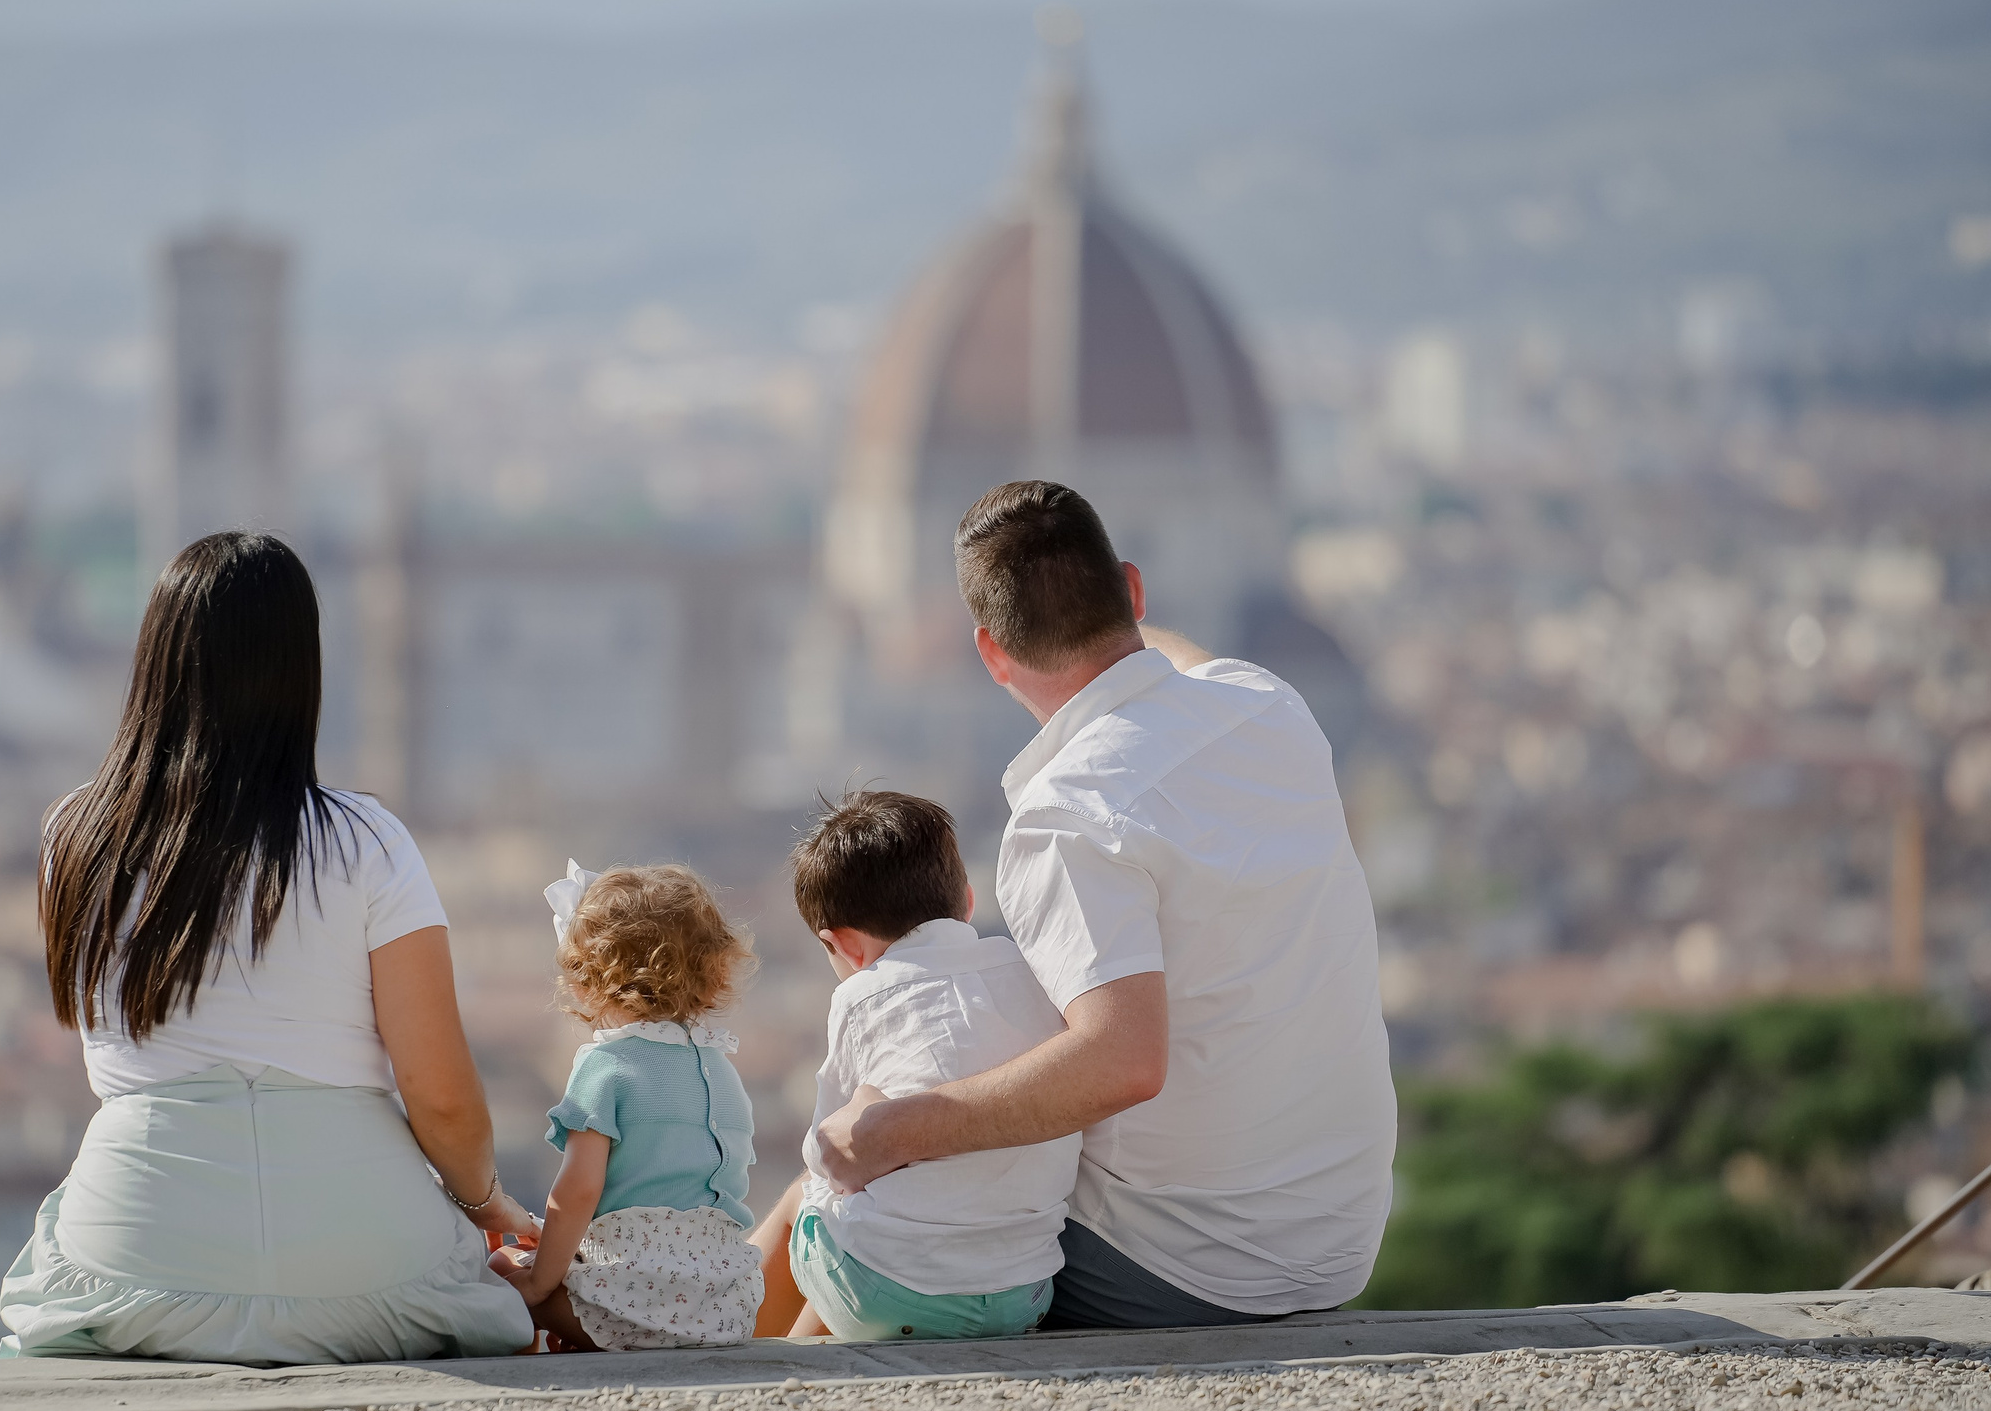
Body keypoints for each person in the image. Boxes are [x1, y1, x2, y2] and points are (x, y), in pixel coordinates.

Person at [791, 480, 1395, 1330]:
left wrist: (899, 1132)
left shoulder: (1065, 819)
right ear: (1135, 590)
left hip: (1186, 1262)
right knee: (881, 1169)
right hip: (1335, 1239)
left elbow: (1123, 1061)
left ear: (991, 654)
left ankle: (726, 1371)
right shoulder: (1268, 705)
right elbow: (1178, 661)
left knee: (865, 1179)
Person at [0, 531, 540, 1365]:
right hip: (364, 1265)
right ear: (303, 672)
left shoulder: (72, 837)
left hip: (137, 1257)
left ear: (157, 663)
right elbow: (440, 1096)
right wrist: (486, 1203)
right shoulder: (368, 843)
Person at [781, 789, 1077, 1342]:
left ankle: (765, 1352)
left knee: (807, 1195)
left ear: (841, 943)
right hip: (1026, 1295)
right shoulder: (1030, 970)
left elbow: (831, 1157)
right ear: (966, 901)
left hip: (884, 1298)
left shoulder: (862, 995)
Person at [491, 862, 762, 1351]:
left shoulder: (606, 1066)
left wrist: (539, 1280)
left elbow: (578, 1191)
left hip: (634, 1303)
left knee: (503, 1269)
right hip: (725, 1311)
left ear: (586, 979)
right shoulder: (721, 1069)